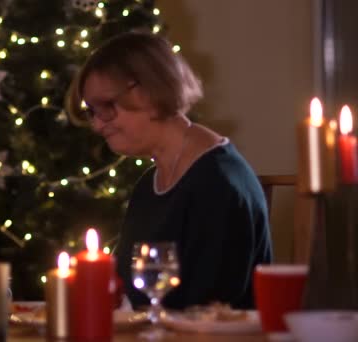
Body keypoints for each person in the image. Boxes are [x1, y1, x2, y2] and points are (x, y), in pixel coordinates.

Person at [66, 32, 272, 310]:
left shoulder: (218, 184)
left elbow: (209, 312)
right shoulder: (149, 186)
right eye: (92, 112)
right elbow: (128, 293)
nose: (98, 126)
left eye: (107, 107)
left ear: (150, 91)